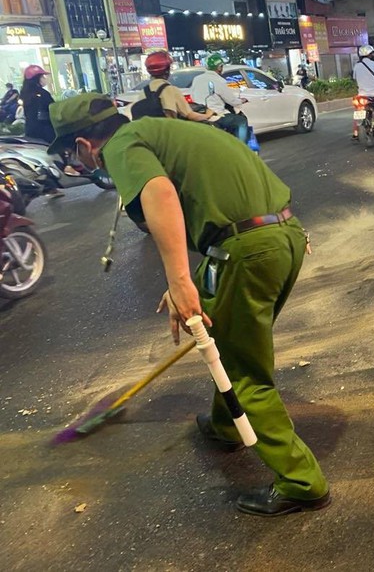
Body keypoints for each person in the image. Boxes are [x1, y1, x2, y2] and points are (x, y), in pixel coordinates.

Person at [48, 93, 330, 517]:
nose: (79, 162)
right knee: (229, 337)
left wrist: (180, 280)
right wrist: (191, 279)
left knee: (243, 368)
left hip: (248, 249)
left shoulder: (120, 147)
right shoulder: (164, 131)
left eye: (73, 154)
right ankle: (225, 425)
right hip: (282, 236)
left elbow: (161, 195)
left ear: (84, 144)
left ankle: (301, 481)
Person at [190, 53, 250, 143]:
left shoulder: (196, 79)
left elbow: (192, 95)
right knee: (241, 122)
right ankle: (241, 147)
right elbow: (231, 101)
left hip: (199, 113)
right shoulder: (219, 80)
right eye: (221, 66)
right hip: (216, 115)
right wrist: (242, 100)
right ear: (219, 67)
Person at [141, 51, 216, 122]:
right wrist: (208, 114)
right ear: (167, 71)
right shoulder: (171, 90)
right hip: (168, 130)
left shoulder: (142, 92)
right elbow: (190, 115)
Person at [21, 65, 55, 142]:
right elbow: (53, 109)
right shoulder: (43, 93)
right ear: (36, 79)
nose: (44, 79)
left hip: (30, 131)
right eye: (42, 77)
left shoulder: (25, 94)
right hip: (45, 131)